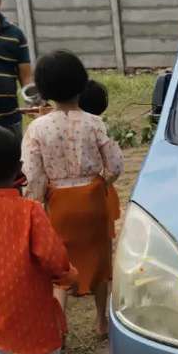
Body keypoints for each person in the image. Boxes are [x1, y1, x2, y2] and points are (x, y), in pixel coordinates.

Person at [22, 51, 123, 338]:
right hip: (93, 200)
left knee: (60, 269)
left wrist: (38, 201)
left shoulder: (37, 128)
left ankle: (58, 327)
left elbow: (32, 173)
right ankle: (102, 322)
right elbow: (115, 164)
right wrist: (103, 181)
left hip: (60, 205)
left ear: (42, 90)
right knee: (101, 262)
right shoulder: (94, 123)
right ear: (81, 83)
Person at [0, 126, 76, 354]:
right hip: (27, 298)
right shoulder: (29, 211)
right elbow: (53, 257)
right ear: (18, 168)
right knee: (44, 352)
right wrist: (68, 275)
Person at [78, 80, 120, 238]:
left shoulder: (57, 127)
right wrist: (105, 183)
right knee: (103, 239)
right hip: (98, 192)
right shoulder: (99, 127)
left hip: (63, 199)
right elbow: (115, 166)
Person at [0, 0, 32, 141]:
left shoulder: (15, 35)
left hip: (10, 121)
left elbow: (26, 76)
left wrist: (33, 101)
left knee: (14, 166)